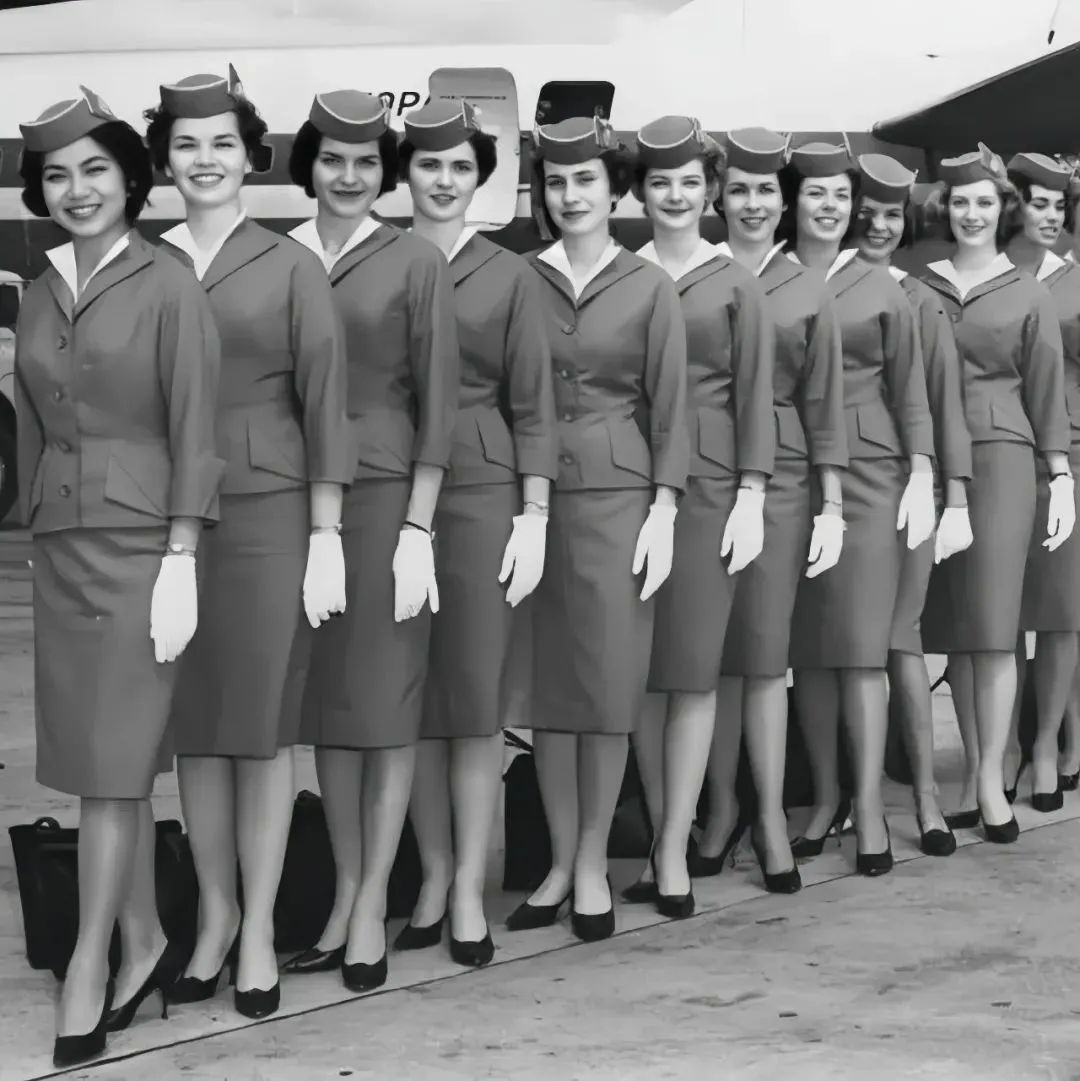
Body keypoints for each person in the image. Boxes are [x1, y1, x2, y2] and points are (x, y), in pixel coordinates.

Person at [16, 86, 221, 1067]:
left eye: (95, 167)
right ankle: (144, 938)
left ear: (131, 178)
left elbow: (195, 425)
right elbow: (35, 423)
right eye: (58, 174)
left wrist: (182, 553)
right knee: (105, 764)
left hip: (143, 549)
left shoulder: (168, 283)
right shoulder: (40, 287)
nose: (78, 188)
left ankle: (90, 964)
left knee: (111, 768)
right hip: (60, 546)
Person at [145, 67, 352, 1018]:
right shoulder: (143, 265)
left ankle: (261, 924)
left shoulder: (289, 265)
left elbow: (326, 404)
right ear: (164, 161)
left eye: (222, 143)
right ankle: (217, 913)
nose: (205, 160)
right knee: (197, 726)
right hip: (164, 521)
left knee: (262, 729)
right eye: (187, 144)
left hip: (267, 515)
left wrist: (326, 532)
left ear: (250, 157)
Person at [284, 90, 459, 991]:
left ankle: (368, 904)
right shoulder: (278, 257)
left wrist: (419, 525)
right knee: (330, 710)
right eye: (331, 159)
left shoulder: (414, 260)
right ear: (308, 166)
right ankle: (347, 890)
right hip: (294, 503)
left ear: (383, 172)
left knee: (386, 706)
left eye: (364, 162)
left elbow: (439, 400)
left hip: (388, 497)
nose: (347, 176)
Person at [506, 115, 688, 942]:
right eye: (556, 181)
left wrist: (665, 507)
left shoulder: (648, 284)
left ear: (615, 190)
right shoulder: (522, 279)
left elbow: (671, 405)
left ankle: (589, 861)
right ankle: (557, 858)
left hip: (620, 500)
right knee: (549, 690)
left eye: (585, 179)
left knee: (608, 688)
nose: (571, 194)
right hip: (532, 497)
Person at [391, 99, 555, 965]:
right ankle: (429, 872)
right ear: (405, 173)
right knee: (409, 696)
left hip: (483, 491)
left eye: (461, 166)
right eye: (429, 164)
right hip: (391, 492)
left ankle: (467, 888)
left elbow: (533, 402)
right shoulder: (378, 262)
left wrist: (534, 510)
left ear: (480, 178)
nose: (445, 180)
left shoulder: (508, 275)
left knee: (475, 700)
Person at [622, 116, 774, 917]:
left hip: (711, 488)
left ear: (709, 191)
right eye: (660, 181)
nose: (676, 195)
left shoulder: (734, 281)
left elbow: (755, 396)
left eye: (689, 181)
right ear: (640, 191)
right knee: (642, 671)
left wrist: (752, 491)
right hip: (626, 482)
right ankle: (661, 830)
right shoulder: (622, 274)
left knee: (692, 667)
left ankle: (676, 844)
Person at [695, 128, 848, 890]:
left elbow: (825, 403)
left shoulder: (805, 285)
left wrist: (833, 503)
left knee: (762, 654)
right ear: (719, 199)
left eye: (765, 190)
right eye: (739, 190)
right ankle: (719, 808)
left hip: (782, 481)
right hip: (699, 472)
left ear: (781, 202)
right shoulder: (696, 275)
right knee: (709, 656)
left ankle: (769, 818)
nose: (752, 203)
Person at [785, 142, 936, 875]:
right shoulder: (769, 277)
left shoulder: (878, 285)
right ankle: (824, 798)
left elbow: (910, 389)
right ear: (793, 199)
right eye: (816, 193)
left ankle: (870, 804)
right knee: (807, 649)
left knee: (861, 646)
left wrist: (925, 472)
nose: (829, 207)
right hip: (790, 470)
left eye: (840, 197)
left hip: (872, 474)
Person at [920, 145, 1072, 843]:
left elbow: (1045, 393)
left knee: (994, 624)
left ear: (1001, 209)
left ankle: (989, 775)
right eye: (960, 202)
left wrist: (1060, 475)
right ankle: (975, 768)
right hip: (929, 466)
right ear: (946, 209)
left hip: (1003, 462)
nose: (972, 213)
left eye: (984, 201)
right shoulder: (921, 288)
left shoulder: (1027, 293)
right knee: (956, 627)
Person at [852, 151, 973, 856]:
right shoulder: (821, 288)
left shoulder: (920, 300)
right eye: (867, 212)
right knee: (841, 648)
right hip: (831, 486)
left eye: (891, 215)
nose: (878, 226)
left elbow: (944, 405)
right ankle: (844, 797)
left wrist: (954, 497)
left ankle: (924, 793)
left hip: (906, 488)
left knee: (900, 637)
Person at [1005, 153, 1080, 811]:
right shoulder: (987, 274)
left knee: (1060, 610)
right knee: (1000, 610)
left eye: (1060, 205)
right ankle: (1004, 742)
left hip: (1071, 452)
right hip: (1002, 450)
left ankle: (1049, 742)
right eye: (1039, 203)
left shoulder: (1074, 279)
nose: (1051, 216)